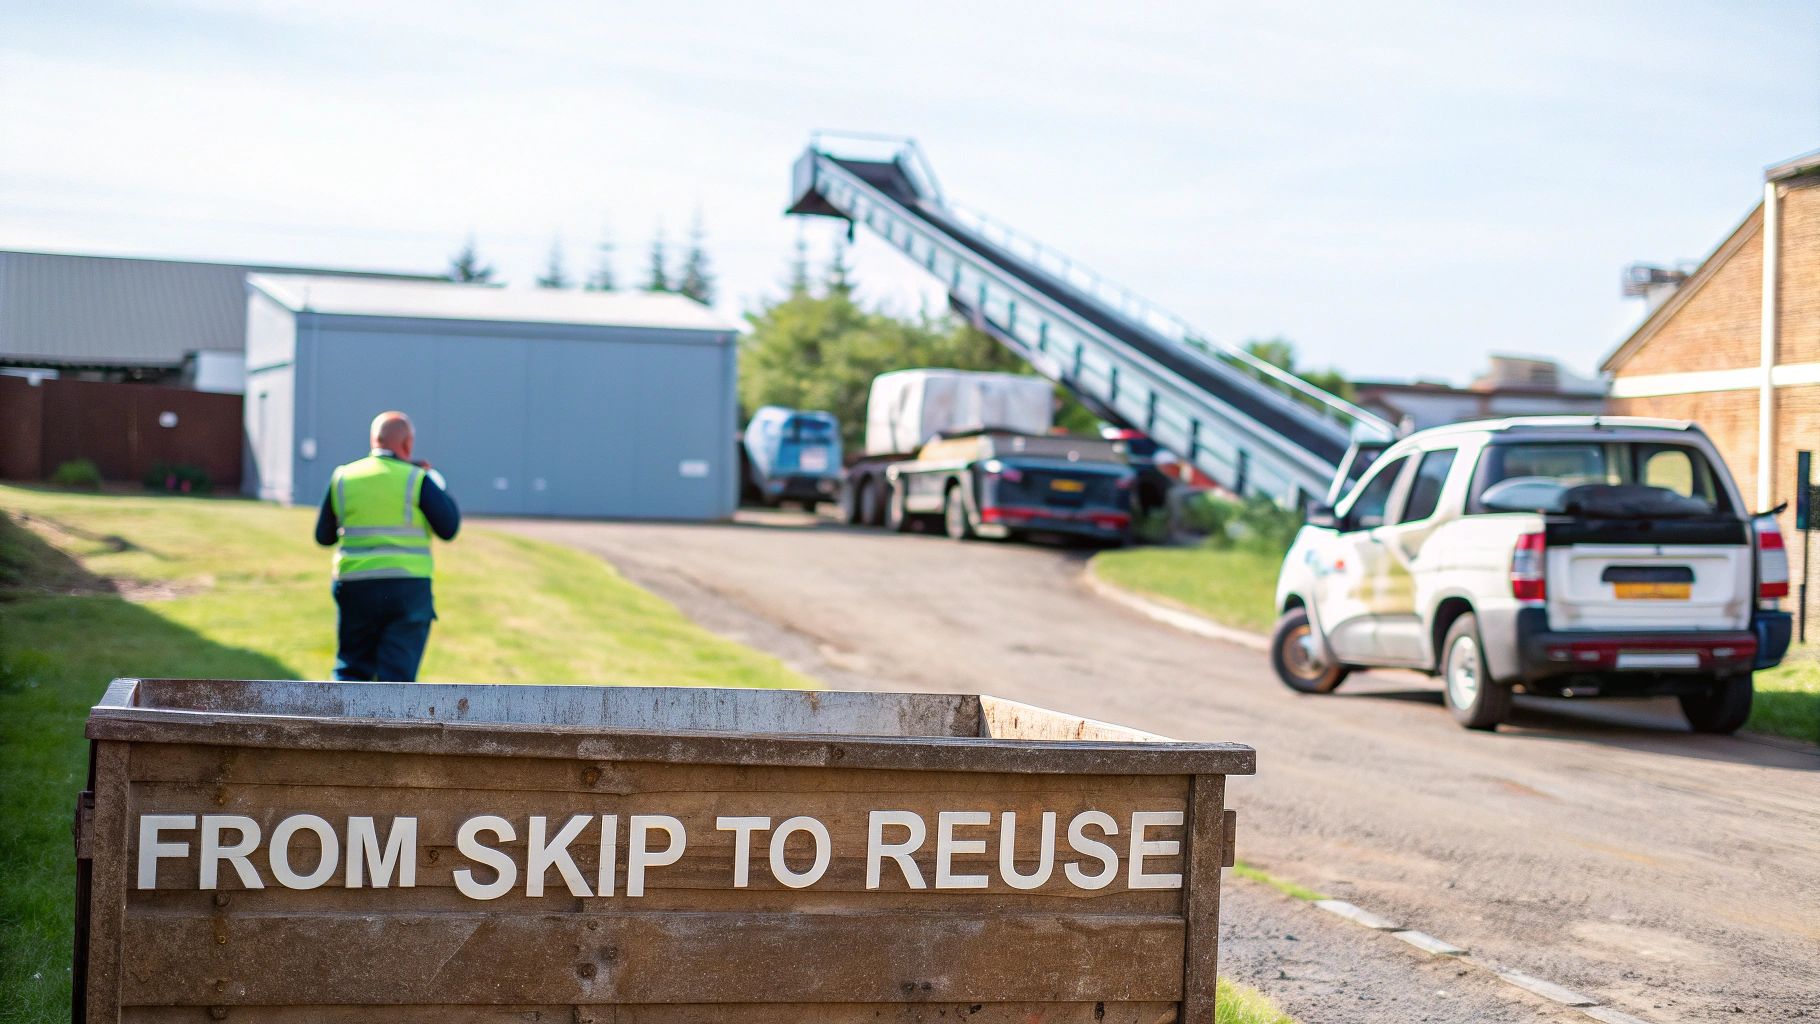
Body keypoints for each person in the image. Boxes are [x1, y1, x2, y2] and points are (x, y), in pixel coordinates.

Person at [314, 411, 460, 681]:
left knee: (351, 671)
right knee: (398, 681)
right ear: (408, 444)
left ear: (374, 440)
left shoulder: (343, 477)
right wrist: (434, 479)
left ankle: (342, 723)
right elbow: (449, 527)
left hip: (355, 587)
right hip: (407, 589)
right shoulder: (417, 479)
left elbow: (324, 536)